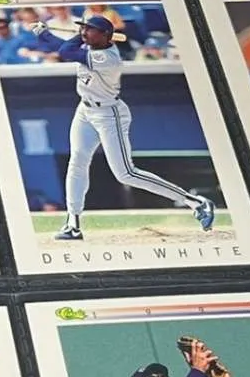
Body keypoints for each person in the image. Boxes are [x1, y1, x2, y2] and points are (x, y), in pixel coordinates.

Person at [20, 13, 214, 241]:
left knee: (126, 174)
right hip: (85, 110)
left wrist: (46, 34)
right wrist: (53, 35)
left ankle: (195, 202)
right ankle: (72, 224)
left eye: (89, 29)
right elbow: (63, 46)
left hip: (109, 114)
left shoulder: (108, 58)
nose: (84, 32)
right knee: (77, 162)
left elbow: (66, 51)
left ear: (105, 35)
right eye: (83, 28)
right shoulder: (92, 45)